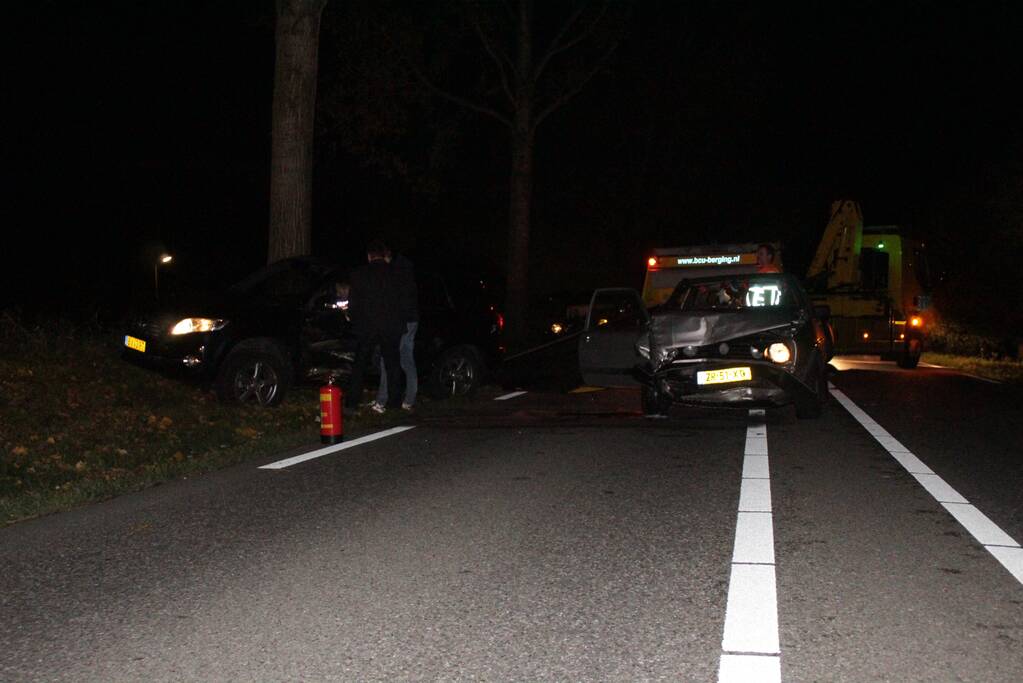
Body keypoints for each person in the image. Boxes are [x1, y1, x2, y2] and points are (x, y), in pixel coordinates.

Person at [344, 240, 403, 415]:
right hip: (390, 325)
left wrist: (353, 319)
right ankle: (394, 402)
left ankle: (352, 403)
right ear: (383, 256)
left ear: (369, 256)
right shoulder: (396, 274)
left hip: (367, 326)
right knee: (392, 364)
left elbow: (354, 303)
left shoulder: (359, 274)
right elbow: (401, 301)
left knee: (360, 365)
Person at [372, 251, 418, 412]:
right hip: (412, 320)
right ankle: (409, 399)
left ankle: (382, 400)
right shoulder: (407, 270)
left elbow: (396, 301)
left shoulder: (396, 273)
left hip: (400, 322)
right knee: (407, 359)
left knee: (388, 358)